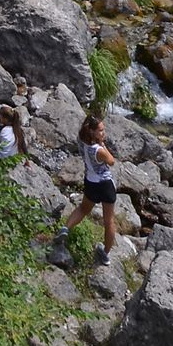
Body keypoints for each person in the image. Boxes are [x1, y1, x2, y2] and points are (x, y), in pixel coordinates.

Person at [56, 113, 117, 265]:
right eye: (101, 130)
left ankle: (65, 229)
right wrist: (102, 144)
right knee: (109, 221)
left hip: (90, 181)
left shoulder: (81, 141)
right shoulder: (99, 150)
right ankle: (105, 253)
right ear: (92, 131)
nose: (103, 133)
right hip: (105, 184)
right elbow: (111, 161)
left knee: (83, 209)